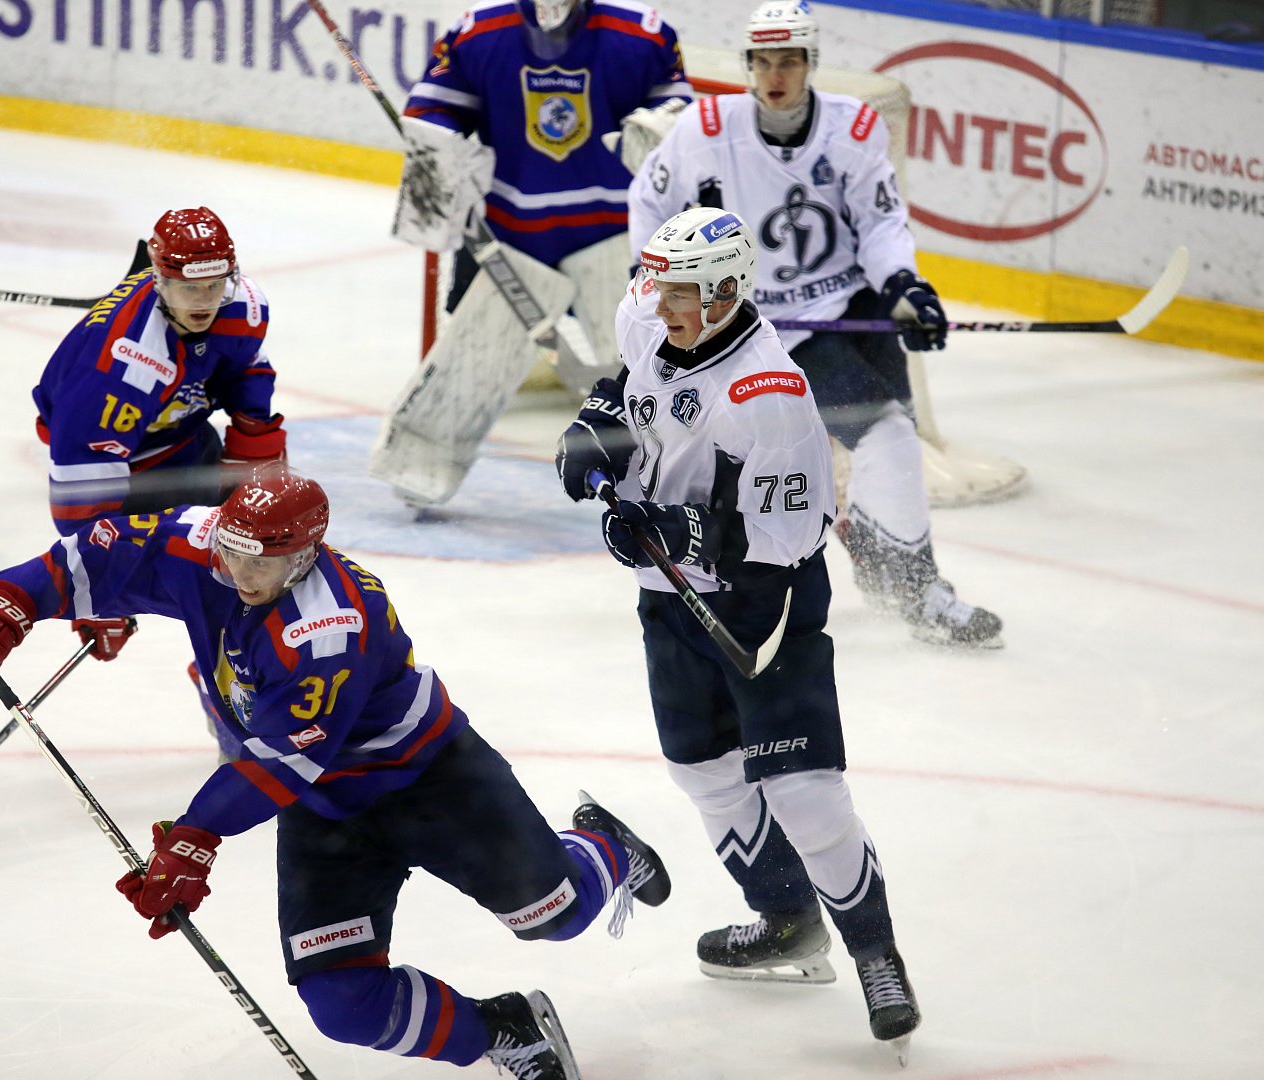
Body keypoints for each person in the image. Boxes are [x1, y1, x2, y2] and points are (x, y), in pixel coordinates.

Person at [0, 465, 671, 1079]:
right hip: (325, 808)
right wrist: (8, 598)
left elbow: (280, 761)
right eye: (232, 553)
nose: (239, 573)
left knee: (555, 917)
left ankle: (607, 847)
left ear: (307, 556)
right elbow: (94, 558)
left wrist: (195, 836)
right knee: (342, 1003)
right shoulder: (210, 546)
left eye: (261, 562)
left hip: (429, 781)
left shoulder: (329, 628)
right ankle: (503, 1028)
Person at [555, 207, 920, 1059]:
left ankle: (876, 955)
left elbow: (791, 535)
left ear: (724, 293)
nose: (660, 302)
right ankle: (787, 919)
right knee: (703, 770)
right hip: (668, 602)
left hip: (765, 608)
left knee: (802, 789)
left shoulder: (772, 395)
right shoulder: (653, 311)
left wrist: (677, 531)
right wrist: (598, 424)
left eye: (681, 291)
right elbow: (631, 379)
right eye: (660, 285)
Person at [625, 0, 1002, 648]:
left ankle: (898, 576)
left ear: (810, 63)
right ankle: (887, 588)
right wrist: (653, 283)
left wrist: (903, 286)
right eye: (764, 61)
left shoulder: (852, 128)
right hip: (754, 329)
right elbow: (649, 200)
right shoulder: (706, 129)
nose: (776, 75)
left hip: (843, 312)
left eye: (790, 61)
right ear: (748, 65)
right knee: (825, 446)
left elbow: (880, 222)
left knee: (892, 439)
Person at [373, 0, 693, 504]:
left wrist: (661, 128)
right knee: (473, 364)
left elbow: (680, 116)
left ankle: (673, 476)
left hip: (614, 237)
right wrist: (441, 148)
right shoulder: (478, 32)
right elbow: (433, 107)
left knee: (651, 365)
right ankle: (422, 465)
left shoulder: (644, 35)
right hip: (514, 238)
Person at [30, 206, 287, 681]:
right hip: (125, 469)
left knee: (267, 557)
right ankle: (230, 671)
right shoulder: (118, 370)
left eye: (214, 285)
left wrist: (254, 453)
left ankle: (235, 670)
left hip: (184, 439)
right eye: (190, 288)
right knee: (214, 574)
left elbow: (248, 368)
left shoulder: (242, 307)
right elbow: (80, 490)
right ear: (159, 281)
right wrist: (96, 591)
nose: (204, 301)